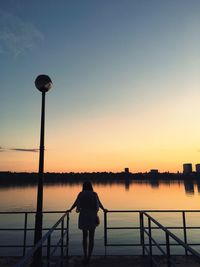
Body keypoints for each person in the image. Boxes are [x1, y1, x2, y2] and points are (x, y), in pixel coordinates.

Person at [68, 181, 106, 263]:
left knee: (84, 236)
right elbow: (98, 203)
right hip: (92, 216)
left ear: (83, 187)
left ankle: (85, 255)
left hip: (83, 215)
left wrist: (70, 209)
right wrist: (104, 209)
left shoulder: (81, 194)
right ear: (91, 187)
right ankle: (89, 256)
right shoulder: (94, 194)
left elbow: (76, 203)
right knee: (91, 237)